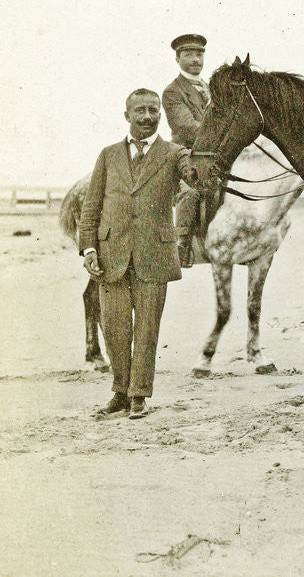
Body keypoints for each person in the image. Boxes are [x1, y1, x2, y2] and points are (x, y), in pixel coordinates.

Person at [79, 89, 195, 418]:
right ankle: (119, 392)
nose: (147, 116)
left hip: (154, 254)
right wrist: (89, 247)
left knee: (146, 329)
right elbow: (91, 206)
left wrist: (198, 162)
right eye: (140, 110)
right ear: (127, 115)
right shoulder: (108, 154)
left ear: (161, 114)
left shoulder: (176, 154)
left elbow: (195, 177)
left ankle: (139, 395)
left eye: (153, 110)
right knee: (115, 327)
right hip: (110, 254)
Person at [161, 34, 210, 267]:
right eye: (188, 54)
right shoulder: (173, 91)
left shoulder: (211, 89)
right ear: (177, 58)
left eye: (199, 54)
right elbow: (187, 127)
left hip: (212, 155)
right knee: (189, 192)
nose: (195, 59)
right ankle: (182, 244)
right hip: (185, 154)